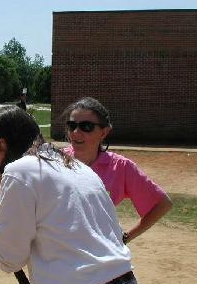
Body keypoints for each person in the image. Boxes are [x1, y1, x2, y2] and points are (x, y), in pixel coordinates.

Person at [0, 106, 150, 284]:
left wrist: (1, 188)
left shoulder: (18, 171)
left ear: (3, 144)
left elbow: (10, 258)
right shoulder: (79, 167)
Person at [62, 97, 172, 244]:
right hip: (58, 250)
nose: (76, 132)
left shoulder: (120, 167)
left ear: (104, 132)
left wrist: (126, 237)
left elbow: (162, 204)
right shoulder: (55, 161)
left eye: (86, 126)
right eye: (71, 125)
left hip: (98, 252)